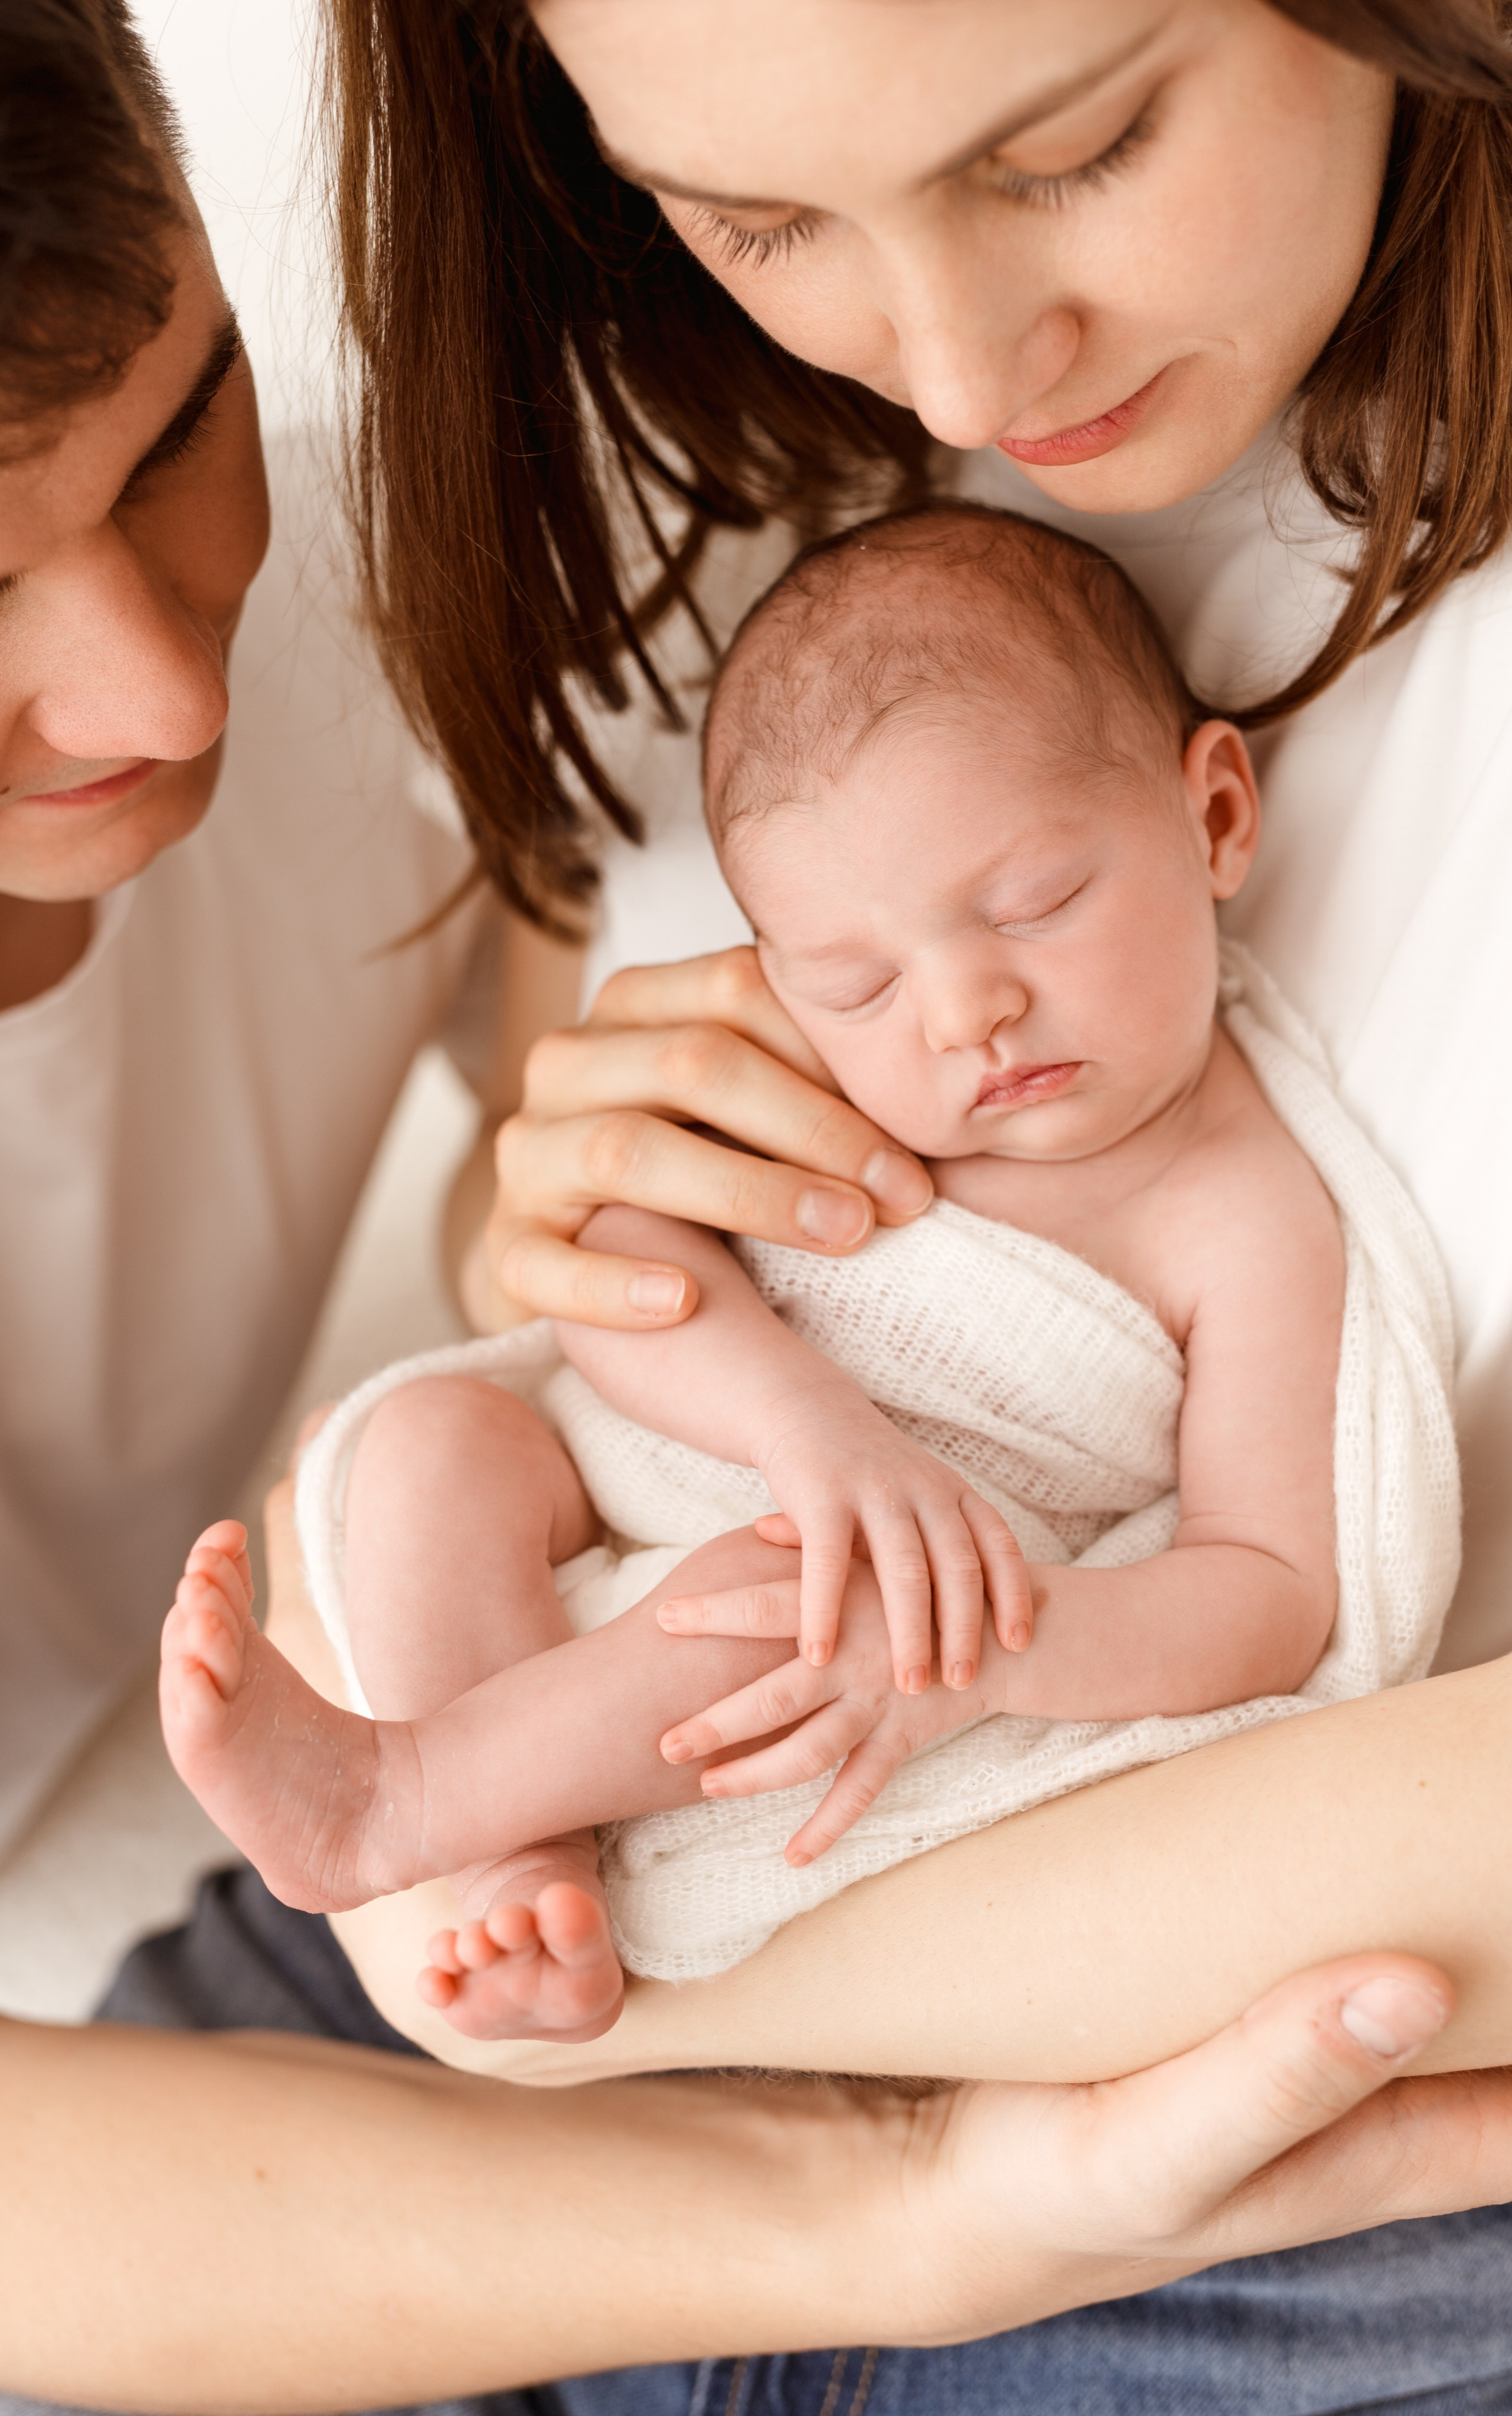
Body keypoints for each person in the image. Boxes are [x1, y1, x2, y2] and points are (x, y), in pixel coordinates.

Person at [0, 4, 1491, 2410]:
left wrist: (593, 1257)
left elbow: (548, 1242)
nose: (160, 693)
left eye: (180, 427)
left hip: (943, 1968)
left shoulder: (489, 568)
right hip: (328, 2061)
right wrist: (848, 2189)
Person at [160, 496, 1453, 2061]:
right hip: (684, 1452)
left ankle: (404, 1798)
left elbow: (1269, 1591)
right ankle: (519, 1873)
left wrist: (999, 1645)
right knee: (438, 1439)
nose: (966, 1008)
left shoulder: (1235, 1211)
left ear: (1216, 820)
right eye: (856, 978)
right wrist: (806, 1425)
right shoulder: (822, 1076)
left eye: (1034, 903)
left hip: (885, 1595)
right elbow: (613, 1256)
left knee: (777, 1607)